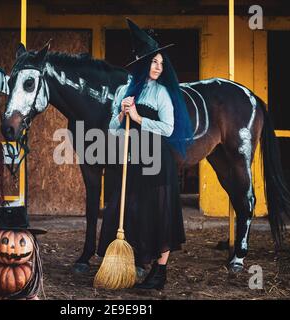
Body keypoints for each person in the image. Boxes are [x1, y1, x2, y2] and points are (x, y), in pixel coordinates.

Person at [97, 19, 193, 290]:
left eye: (162, 64)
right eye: (154, 62)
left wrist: (138, 117)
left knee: (161, 213)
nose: (158, 67)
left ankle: (160, 273)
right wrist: (121, 114)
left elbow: (168, 128)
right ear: (142, 61)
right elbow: (113, 130)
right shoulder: (124, 91)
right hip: (133, 161)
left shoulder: (163, 93)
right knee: (129, 211)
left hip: (158, 161)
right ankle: (131, 264)